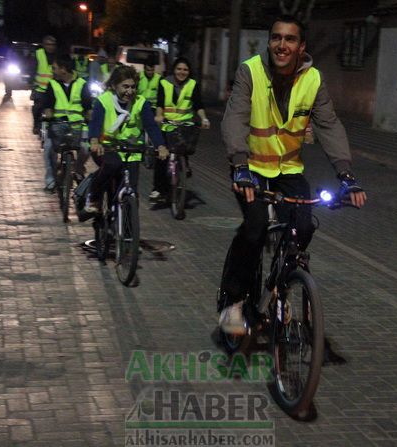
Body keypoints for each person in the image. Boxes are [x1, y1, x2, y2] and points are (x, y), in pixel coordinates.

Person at [218, 15, 367, 335]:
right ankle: (233, 302)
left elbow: (328, 125)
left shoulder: (313, 80)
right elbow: (235, 119)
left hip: (289, 170)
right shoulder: (251, 71)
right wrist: (240, 166)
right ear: (270, 41)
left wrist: (346, 175)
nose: (281, 45)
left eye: (289, 39)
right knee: (255, 229)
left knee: (302, 227)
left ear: (301, 47)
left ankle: (279, 291)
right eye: (276, 38)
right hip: (252, 169)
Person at [83, 65, 168, 217]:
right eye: (125, 86)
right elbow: (95, 124)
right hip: (107, 148)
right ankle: (94, 196)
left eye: (133, 87)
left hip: (131, 152)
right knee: (112, 165)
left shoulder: (141, 103)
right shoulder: (103, 101)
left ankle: (128, 231)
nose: (130, 91)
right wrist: (95, 142)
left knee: (132, 192)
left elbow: (151, 126)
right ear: (114, 85)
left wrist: (161, 145)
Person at [150, 57, 210, 200]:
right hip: (167, 124)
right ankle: (158, 189)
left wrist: (204, 118)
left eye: (185, 70)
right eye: (179, 69)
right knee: (162, 157)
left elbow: (198, 105)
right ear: (174, 69)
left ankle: (184, 165)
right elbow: (160, 103)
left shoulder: (192, 84)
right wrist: (159, 116)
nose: (182, 72)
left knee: (185, 148)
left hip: (184, 125)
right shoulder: (164, 82)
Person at [41, 54, 92, 192]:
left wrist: (90, 117)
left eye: (54, 68)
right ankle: (50, 179)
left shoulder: (82, 84)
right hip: (58, 126)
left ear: (63, 69)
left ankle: (79, 169)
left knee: (86, 148)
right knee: (48, 148)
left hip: (77, 126)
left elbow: (88, 106)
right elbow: (48, 104)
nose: (52, 71)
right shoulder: (52, 84)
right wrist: (48, 114)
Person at [31, 35, 57, 135]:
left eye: (52, 45)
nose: (50, 47)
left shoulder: (57, 55)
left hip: (53, 89)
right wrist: (32, 86)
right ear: (44, 45)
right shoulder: (38, 54)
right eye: (48, 44)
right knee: (37, 107)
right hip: (40, 88)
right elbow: (32, 70)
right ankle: (36, 125)